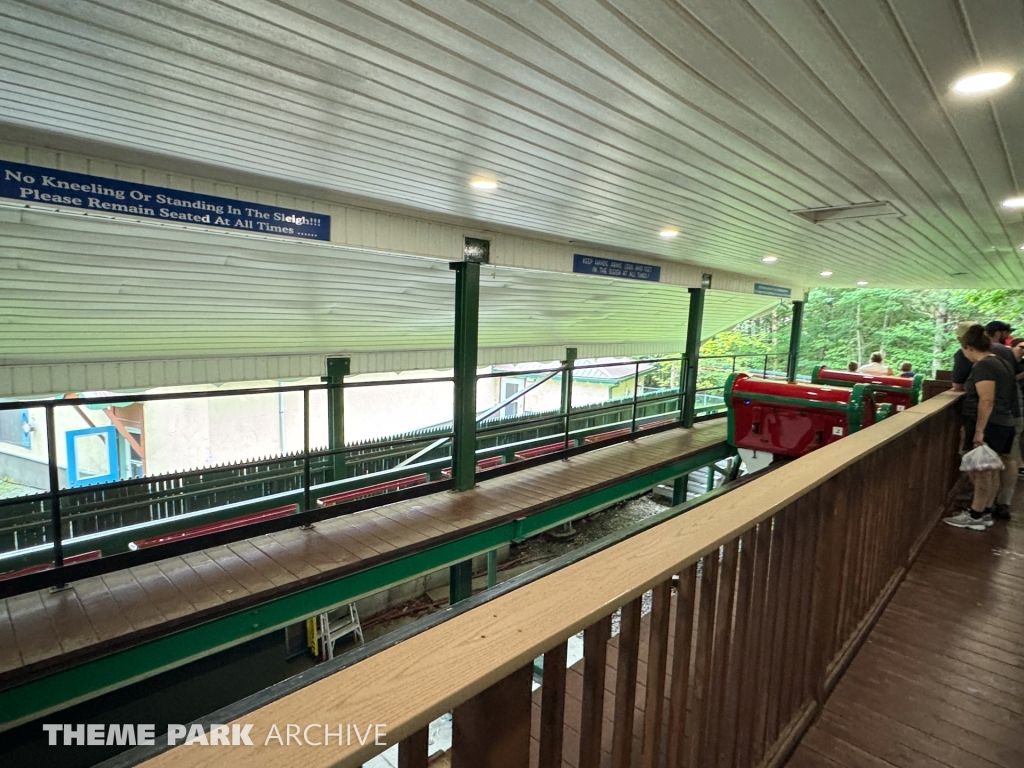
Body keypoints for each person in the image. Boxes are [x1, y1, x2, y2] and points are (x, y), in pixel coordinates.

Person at [945, 324, 1019, 530]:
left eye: (964, 349)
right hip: (1004, 422)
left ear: (969, 347)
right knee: (991, 469)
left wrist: (979, 431)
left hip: (990, 424)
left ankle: (975, 515)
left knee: (981, 471)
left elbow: (986, 400)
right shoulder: (1001, 362)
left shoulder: (984, 366)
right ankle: (985, 511)